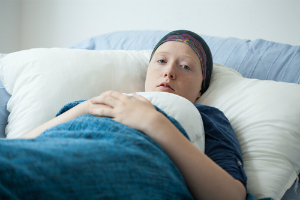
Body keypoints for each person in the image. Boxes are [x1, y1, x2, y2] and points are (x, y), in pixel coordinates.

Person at [20, 30, 247, 200]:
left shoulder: (207, 116)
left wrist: (154, 122)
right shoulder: (107, 98)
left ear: (200, 89)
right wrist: (88, 105)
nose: (169, 71)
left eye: (186, 66)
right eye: (161, 61)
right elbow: (22, 144)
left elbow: (232, 195)